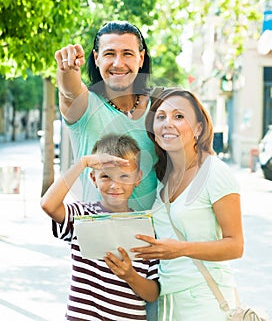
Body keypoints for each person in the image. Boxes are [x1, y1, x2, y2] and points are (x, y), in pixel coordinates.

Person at [131, 88, 244, 321]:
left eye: (179, 116)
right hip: (168, 303)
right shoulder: (163, 177)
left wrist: (180, 249)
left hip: (206, 301)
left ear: (198, 128)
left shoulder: (214, 172)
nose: (167, 123)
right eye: (161, 117)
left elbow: (236, 245)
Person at [40, 133, 160, 321]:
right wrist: (83, 163)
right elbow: (48, 204)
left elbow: (152, 293)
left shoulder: (146, 228)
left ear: (137, 179)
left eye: (124, 176)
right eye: (106, 176)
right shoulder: (81, 216)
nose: (115, 185)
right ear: (93, 179)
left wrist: (129, 275)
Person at [54, 20, 158, 211]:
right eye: (109, 54)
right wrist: (66, 69)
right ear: (96, 58)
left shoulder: (159, 110)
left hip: (151, 235)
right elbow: (69, 92)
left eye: (127, 54)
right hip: (98, 234)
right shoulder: (85, 106)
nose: (118, 63)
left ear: (141, 58)